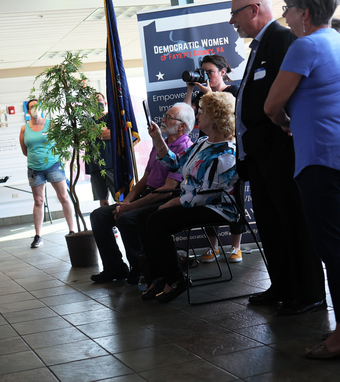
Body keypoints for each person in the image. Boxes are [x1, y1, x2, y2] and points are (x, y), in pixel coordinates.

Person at [264, 0, 340, 359]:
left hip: (321, 157)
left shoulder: (304, 46)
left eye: (288, 9)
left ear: (305, 13)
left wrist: (288, 123)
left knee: (332, 248)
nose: (286, 16)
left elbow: (271, 106)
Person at [228, 0, 326, 315]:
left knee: (294, 222)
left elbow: (291, 95)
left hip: (280, 152)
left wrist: (278, 135)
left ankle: (310, 293)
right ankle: (283, 285)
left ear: (254, 10)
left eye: (235, 14)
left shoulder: (282, 40)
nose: (233, 22)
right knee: (271, 225)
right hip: (258, 156)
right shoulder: (259, 46)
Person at [140, 92, 238, 303]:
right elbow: (176, 165)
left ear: (217, 117)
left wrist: (175, 202)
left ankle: (175, 279)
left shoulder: (228, 151)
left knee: (156, 221)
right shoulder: (202, 143)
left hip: (216, 207)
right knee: (143, 218)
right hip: (193, 201)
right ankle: (159, 277)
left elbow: (209, 194)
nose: (198, 114)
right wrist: (158, 139)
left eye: (202, 111)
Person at [89, 102, 194, 284]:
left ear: (182, 126)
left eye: (169, 117)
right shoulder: (160, 143)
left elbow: (166, 191)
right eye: (165, 115)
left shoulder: (185, 148)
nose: (163, 119)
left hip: (164, 198)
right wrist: (125, 203)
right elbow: (144, 179)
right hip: (146, 194)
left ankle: (141, 268)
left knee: (126, 219)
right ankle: (115, 267)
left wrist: (130, 207)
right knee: (99, 216)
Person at [182, 55, 245, 263]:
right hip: (205, 146)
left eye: (210, 71)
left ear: (222, 72)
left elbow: (235, 117)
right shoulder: (201, 95)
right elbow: (186, 116)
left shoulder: (233, 92)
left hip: (227, 150)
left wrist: (209, 95)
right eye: (203, 71)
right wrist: (192, 88)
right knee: (203, 192)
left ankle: (236, 247)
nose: (206, 75)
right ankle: (213, 247)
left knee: (234, 196)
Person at [19, 98, 77, 248]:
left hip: (53, 166)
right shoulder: (24, 129)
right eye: (32, 107)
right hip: (34, 169)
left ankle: (72, 231)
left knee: (63, 197)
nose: (35, 109)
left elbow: (61, 144)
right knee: (38, 201)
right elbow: (25, 151)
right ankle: (38, 236)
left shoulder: (52, 125)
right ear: (28, 111)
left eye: (37, 106)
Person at [84, 93, 118, 207]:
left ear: (105, 103)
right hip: (94, 164)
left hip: (110, 162)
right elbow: (85, 137)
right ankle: (107, 223)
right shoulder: (88, 121)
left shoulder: (111, 117)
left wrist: (93, 133)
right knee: (102, 199)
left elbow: (112, 134)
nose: (97, 103)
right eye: (94, 101)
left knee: (118, 196)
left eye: (99, 99)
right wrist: (101, 132)